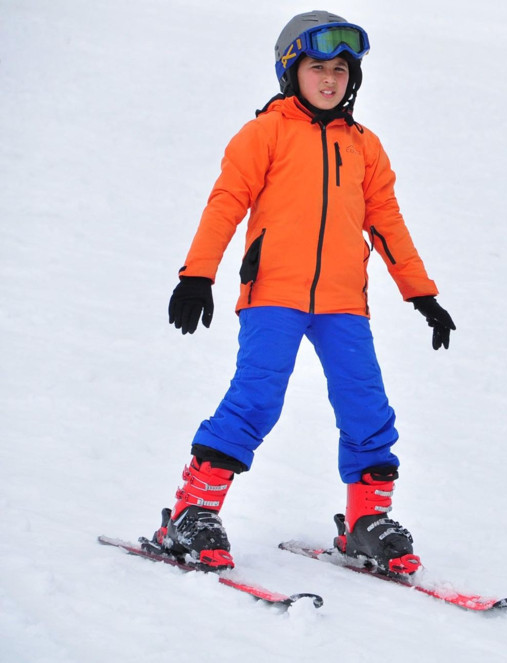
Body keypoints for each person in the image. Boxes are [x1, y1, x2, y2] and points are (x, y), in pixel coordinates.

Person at [146, 10, 455, 576]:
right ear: (292, 72)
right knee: (256, 399)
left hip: (343, 304)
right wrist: (197, 274)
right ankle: (192, 512)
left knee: (366, 406)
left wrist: (421, 293)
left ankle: (367, 522)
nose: (331, 79)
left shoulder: (365, 145)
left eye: (341, 69)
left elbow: (386, 221)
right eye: (318, 68)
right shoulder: (265, 133)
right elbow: (226, 203)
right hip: (274, 295)